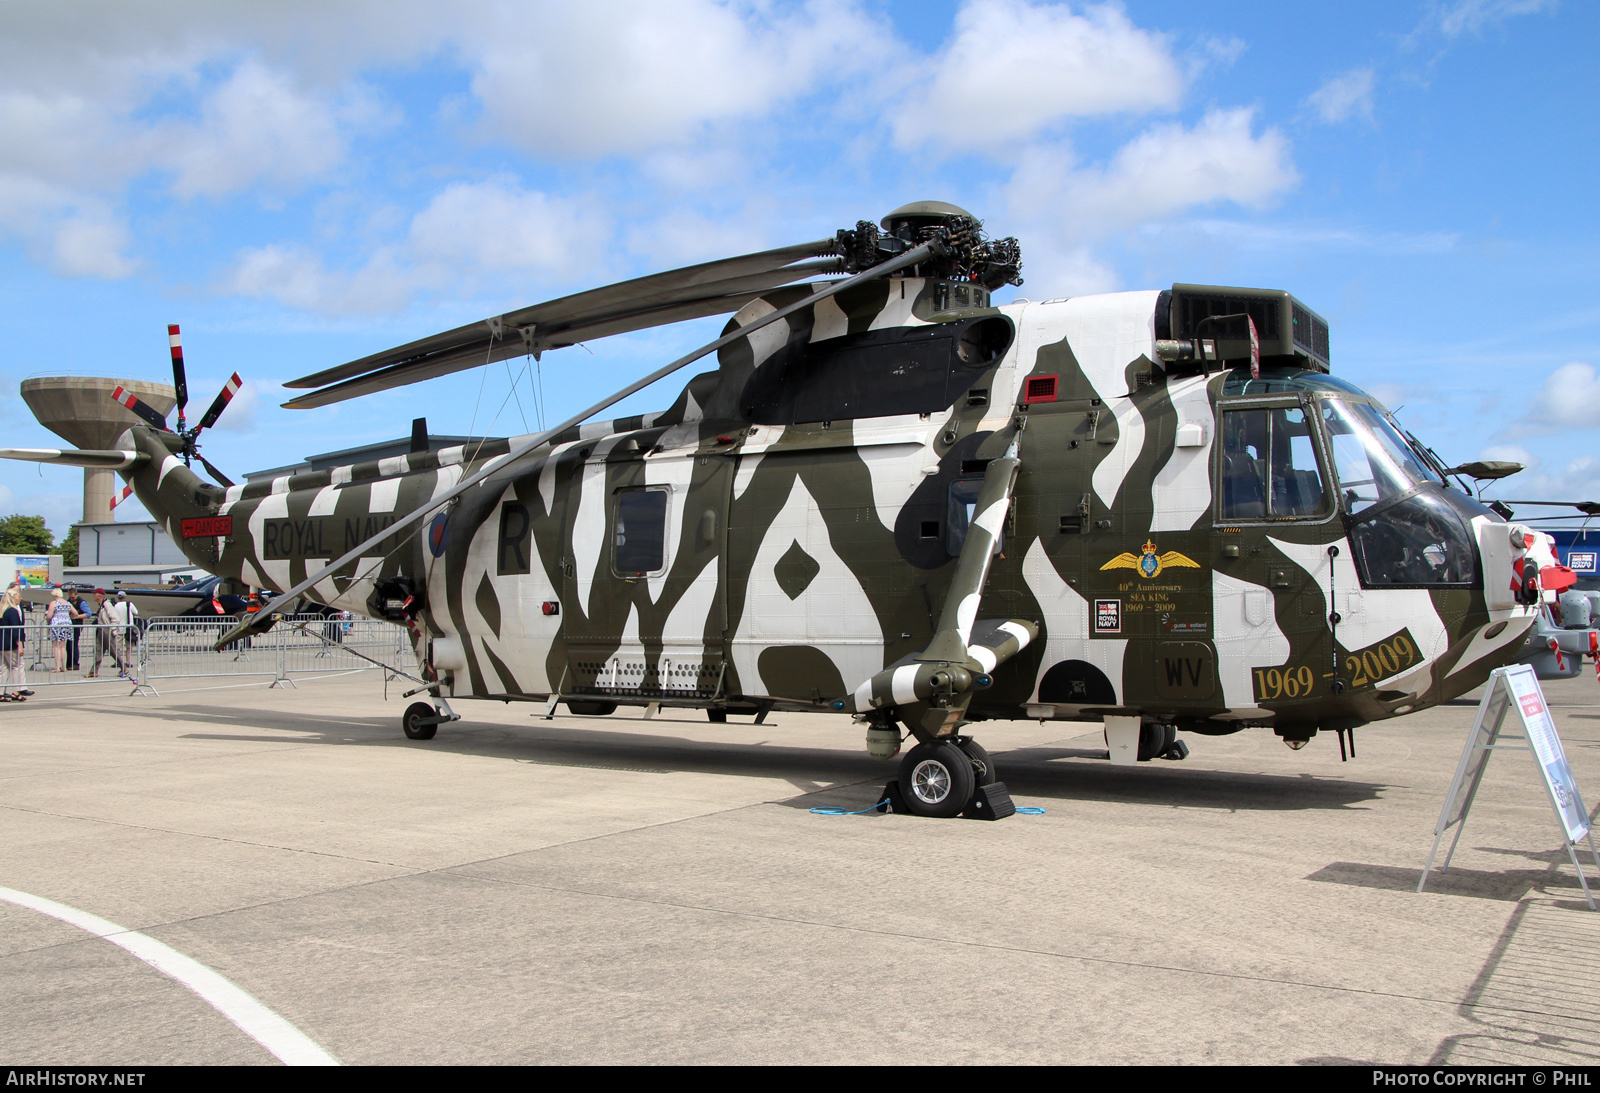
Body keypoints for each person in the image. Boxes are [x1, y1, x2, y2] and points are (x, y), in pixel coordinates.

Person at [1, 587, 31, 701]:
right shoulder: (12, 611)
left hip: (2, 644)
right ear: (13, 598)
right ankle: (17, 690)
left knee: (3, 668)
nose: (20, 598)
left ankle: (0, 691)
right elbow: (16, 630)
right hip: (10, 644)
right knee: (17, 666)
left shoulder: (2, 609)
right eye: (19, 596)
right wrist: (20, 646)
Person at [88, 588, 122, 678]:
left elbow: (115, 618)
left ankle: (124, 668)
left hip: (106, 630)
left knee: (113, 650)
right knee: (98, 651)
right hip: (100, 630)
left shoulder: (107, 605)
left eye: (94, 594)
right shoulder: (101, 605)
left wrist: (112, 629)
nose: (93, 596)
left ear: (99, 595)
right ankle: (93, 671)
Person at [108, 591, 139, 679]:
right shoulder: (130, 604)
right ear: (125, 597)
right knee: (128, 646)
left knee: (118, 646)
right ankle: (128, 661)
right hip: (129, 627)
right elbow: (136, 612)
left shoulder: (116, 606)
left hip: (119, 627)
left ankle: (118, 661)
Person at [46, 588, 73, 672]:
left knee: (56, 646)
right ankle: (64, 667)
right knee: (63, 646)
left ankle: (57, 667)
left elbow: (49, 616)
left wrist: (47, 617)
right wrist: (67, 617)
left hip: (57, 624)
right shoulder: (67, 603)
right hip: (67, 624)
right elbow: (75, 612)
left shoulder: (54, 603)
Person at [67, 587, 90, 671]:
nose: (71, 599)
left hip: (77, 625)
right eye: (70, 597)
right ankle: (68, 663)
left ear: (76, 595)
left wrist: (77, 616)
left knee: (74, 644)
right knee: (68, 645)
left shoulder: (82, 602)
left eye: (73, 597)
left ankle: (75, 663)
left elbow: (88, 613)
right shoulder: (68, 601)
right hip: (69, 625)